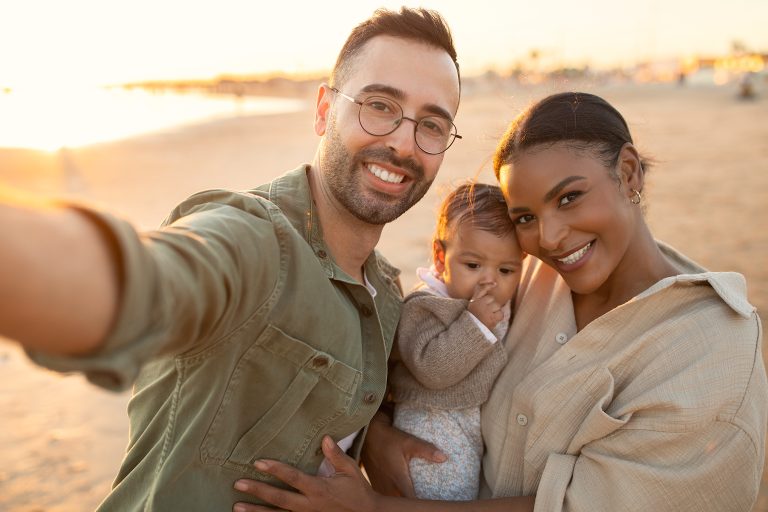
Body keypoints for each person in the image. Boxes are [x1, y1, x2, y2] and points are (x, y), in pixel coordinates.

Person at [0, 6, 461, 511]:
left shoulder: (388, 293)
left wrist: (377, 439)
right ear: (325, 111)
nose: (401, 141)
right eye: (379, 105)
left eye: (432, 125)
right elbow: (151, 280)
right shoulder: (254, 237)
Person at [232, 91, 767, 512]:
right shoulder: (528, 278)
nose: (552, 237)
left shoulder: (712, 359)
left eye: (569, 197)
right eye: (526, 217)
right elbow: (419, 354)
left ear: (628, 174)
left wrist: (375, 507)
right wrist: (380, 437)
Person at [390, 182, 522, 500]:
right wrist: (475, 323)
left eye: (505, 270)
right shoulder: (425, 306)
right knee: (443, 492)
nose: (489, 280)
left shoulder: (495, 305)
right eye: (473, 266)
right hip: (431, 424)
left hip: (470, 425)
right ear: (440, 257)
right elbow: (432, 369)